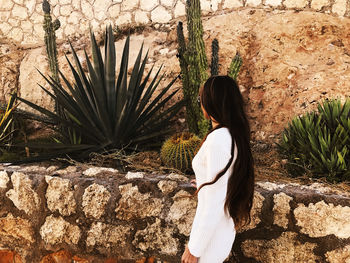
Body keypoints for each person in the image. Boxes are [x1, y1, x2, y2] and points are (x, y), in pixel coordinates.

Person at [181, 75, 255, 263]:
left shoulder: (218, 140)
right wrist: (205, 180)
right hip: (221, 231)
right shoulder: (232, 135)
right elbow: (226, 179)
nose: (200, 104)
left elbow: (214, 202)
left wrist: (194, 248)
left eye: (201, 99)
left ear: (211, 103)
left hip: (210, 241)